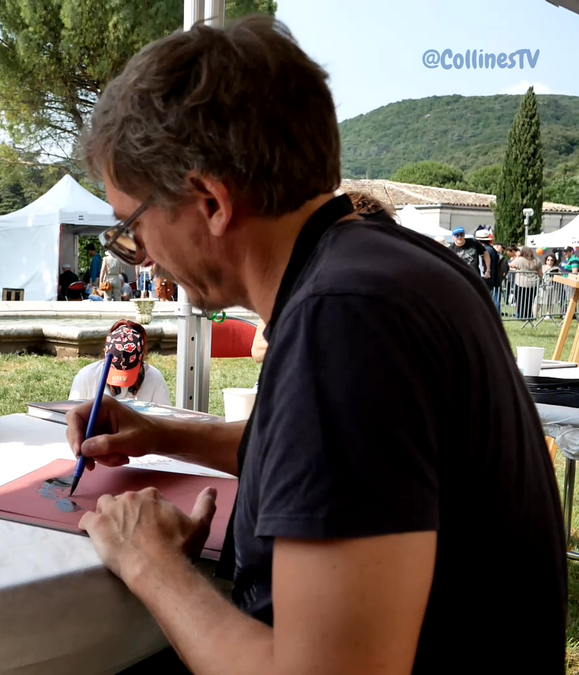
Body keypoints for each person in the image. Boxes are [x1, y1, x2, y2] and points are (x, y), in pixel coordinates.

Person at [70, 17, 563, 674]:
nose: (145, 256)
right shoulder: (388, 265)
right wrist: (159, 433)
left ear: (211, 202)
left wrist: (151, 563)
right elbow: (324, 463)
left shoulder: (345, 321)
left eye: (131, 227)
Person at [70, 321, 169, 405]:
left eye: (128, 370)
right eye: (117, 369)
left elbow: (164, 419)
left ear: (141, 358)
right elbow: (70, 416)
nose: (122, 384)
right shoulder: (86, 377)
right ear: (105, 354)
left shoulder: (155, 379)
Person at [510, 245, 542, 320]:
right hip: (533, 283)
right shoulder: (536, 260)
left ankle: (522, 316)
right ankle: (529, 315)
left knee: (520, 301)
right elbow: (540, 272)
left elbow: (511, 264)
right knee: (530, 301)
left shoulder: (520, 259)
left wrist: (517, 257)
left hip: (521, 283)